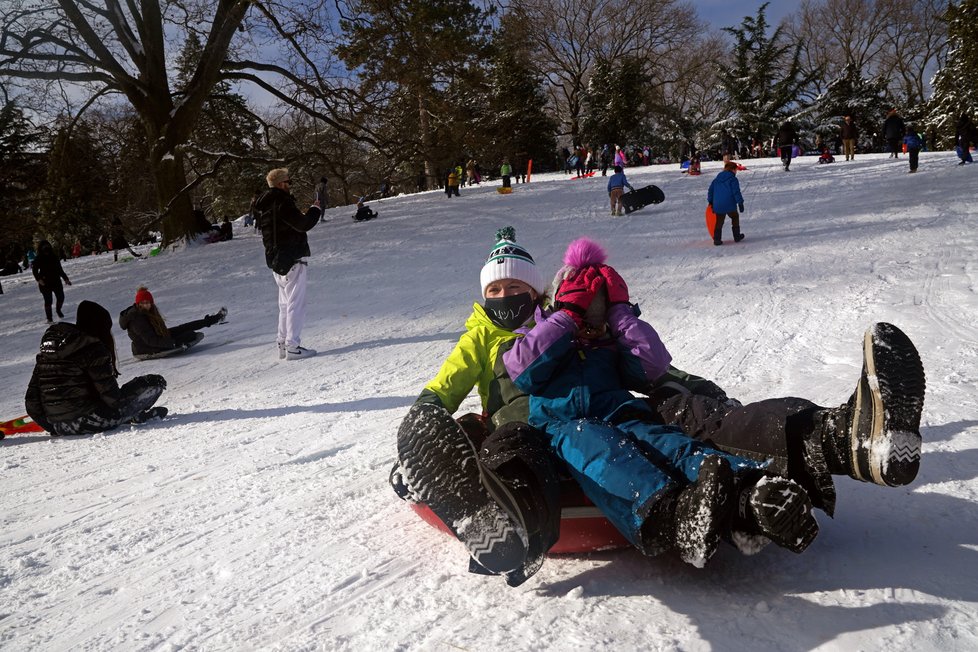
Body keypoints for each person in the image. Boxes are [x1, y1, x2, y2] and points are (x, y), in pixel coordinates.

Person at [504, 239, 818, 567]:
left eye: (599, 318)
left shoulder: (608, 344)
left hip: (622, 416)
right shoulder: (539, 338)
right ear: (558, 307)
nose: (591, 327)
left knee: (672, 444)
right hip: (563, 429)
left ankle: (751, 493)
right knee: (602, 450)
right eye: (584, 316)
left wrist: (621, 315)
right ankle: (672, 514)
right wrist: (568, 317)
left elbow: (652, 366)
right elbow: (522, 370)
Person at [392, 227, 563, 586]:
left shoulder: (552, 324)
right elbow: (452, 376)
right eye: (495, 290)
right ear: (485, 296)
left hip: (542, 423)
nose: (505, 296)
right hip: (500, 422)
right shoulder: (481, 335)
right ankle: (431, 473)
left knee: (514, 444)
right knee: (466, 429)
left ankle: (512, 513)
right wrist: (429, 407)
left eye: (515, 287)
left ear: (535, 291)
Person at [25, 300, 168, 436]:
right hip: (93, 421)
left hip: (59, 426)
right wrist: (132, 404)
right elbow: (112, 399)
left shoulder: (46, 354)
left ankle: (129, 416)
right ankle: (131, 416)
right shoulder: (93, 349)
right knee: (154, 382)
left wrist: (54, 426)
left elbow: (32, 402)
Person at [253, 167, 322, 360]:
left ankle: (282, 344)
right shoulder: (282, 202)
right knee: (295, 303)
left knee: (284, 304)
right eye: (289, 182)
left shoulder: (265, 206)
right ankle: (293, 346)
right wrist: (315, 210)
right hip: (291, 257)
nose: (290, 186)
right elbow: (303, 224)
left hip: (276, 260)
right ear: (282, 184)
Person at [118, 286, 227, 358]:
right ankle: (213, 320)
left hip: (157, 339)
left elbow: (156, 333)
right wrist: (172, 343)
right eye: (143, 303)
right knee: (190, 335)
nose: (146, 305)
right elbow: (150, 340)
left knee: (183, 327)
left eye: (148, 302)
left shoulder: (146, 312)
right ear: (138, 304)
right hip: (147, 347)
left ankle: (214, 319)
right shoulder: (137, 319)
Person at [32, 240, 71, 323]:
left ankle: (58, 310)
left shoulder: (54, 257)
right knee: (48, 301)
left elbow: (60, 269)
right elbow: (34, 271)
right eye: (44, 247)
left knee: (61, 297)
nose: (46, 249)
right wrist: (39, 279)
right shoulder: (38, 258)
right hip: (44, 282)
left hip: (56, 281)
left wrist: (66, 279)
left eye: (47, 247)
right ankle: (49, 318)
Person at [708, 161, 746, 245]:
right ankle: (736, 236)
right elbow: (736, 192)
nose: (736, 172)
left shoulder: (716, 179)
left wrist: (710, 201)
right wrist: (740, 203)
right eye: (736, 170)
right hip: (729, 203)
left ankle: (717, 239)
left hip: (718, 204)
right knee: (735, 216)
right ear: (732, 169)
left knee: (719, 221)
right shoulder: (733, 179)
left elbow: (710, 191)